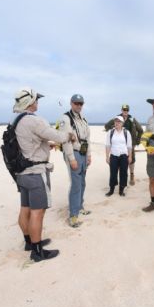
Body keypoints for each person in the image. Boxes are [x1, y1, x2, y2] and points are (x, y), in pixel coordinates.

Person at [12, 87, 75, 262]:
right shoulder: (34, 120)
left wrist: (47, 145)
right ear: (30, 102)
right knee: (37, 212)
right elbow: (59, 136)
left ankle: (29, 242)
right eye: (36, 99)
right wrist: (69, 135)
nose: (38, 102)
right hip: (35, 172)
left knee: (25, 209)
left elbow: (30, 141)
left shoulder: (16, 119)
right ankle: (38, 251)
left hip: (22, 173)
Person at [59, 94, 91, 228]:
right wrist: (71, 159)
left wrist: (89, 155)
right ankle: (73, 215)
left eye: (81, 103)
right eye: (76, 103)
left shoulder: (83, 118)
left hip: (83, 153)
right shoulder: (66, 118)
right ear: (71, 103)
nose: (79, 106)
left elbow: (87, 138)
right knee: (76, 184)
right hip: (74, 153)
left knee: (82, 182)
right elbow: (66, 140)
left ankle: (80, 206)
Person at [104, 104, 144, 185]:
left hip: (130, 144)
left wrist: (137, 141)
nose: (125, 111)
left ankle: (132, 175)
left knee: (131, 160)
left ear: (128, 111)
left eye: (127, 110)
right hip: (119, 144)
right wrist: (112, 131)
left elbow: (140, 130)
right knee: (118, 160)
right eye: (124, 110)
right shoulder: (117, 118)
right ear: (121, 110)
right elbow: (106, 126)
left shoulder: (132, 119)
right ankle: (117, 177)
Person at [105, 116, 133, 196]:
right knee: (113, 173)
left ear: (122, 123)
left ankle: (121, 190)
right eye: (116, 121)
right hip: (113, 155)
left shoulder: (126, 133)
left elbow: (129, 146)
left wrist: (130, 156)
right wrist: (107, 157)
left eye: (119, 121)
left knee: (124, 173)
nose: (117, 123)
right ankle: (111, 189)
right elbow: (107, 145)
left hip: (124, 156)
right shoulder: (110, 132)